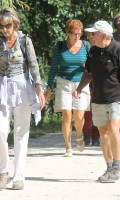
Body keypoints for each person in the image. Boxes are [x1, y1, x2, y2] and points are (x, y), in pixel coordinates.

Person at [0, 7, 46, 191]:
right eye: (1, 26)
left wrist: (40, 90)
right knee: (1, 130)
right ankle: (3, 172)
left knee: (21, 133)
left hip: (22, 87)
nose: (4, 30)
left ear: (15, 24)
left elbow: (34, 66)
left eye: (7, 26)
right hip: (1, 87)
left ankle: (19, 176)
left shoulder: (25, 41)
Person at [74, 20, 120, 183]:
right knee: (104, 134)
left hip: (116, 98)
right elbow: (88, 73)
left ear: (103, 35)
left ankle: (117, 167)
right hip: (97, 98)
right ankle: (109, 167)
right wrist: (79, 88)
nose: (90, 36)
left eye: (93, 34)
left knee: (113, 130)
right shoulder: (93, 52)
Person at [45, 19, 91, 157]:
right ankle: (68, 147)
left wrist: (87, 66)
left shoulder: (86, 45)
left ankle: (78, 133)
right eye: (74, 33)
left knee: (79, 115)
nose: (77, 36)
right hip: (63, 83)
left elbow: (93, 66)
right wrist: (49, 89)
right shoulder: (60, 46)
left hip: (81, 83)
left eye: (79, 33)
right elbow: (53, 68)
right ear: (67, 32)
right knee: (66, 114)